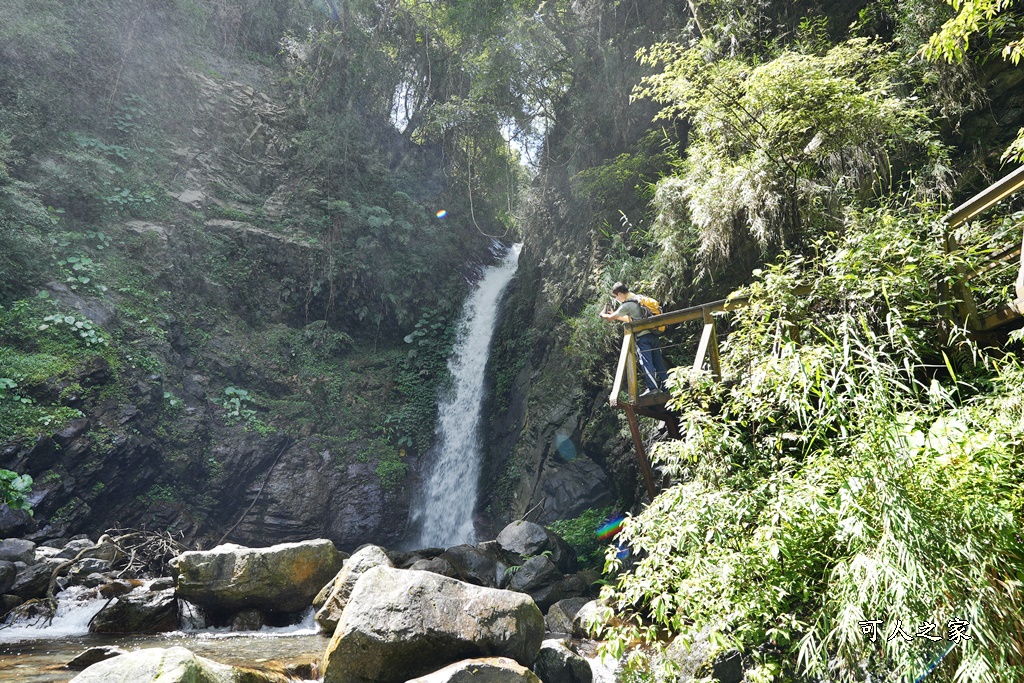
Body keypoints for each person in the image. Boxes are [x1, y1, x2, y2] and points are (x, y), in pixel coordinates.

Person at [599, 282, 669, 396]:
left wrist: (603, 314)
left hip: (643, 338)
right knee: (658, 362)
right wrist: (617, 315)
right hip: (654, 334)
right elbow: (632, 319)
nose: (616, 299)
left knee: (647, 363)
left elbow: (611, 318)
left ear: (620, 293)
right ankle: (667, 386)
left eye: (616, 296)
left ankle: (652, 388)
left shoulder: (627, 304)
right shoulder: (638, 298)